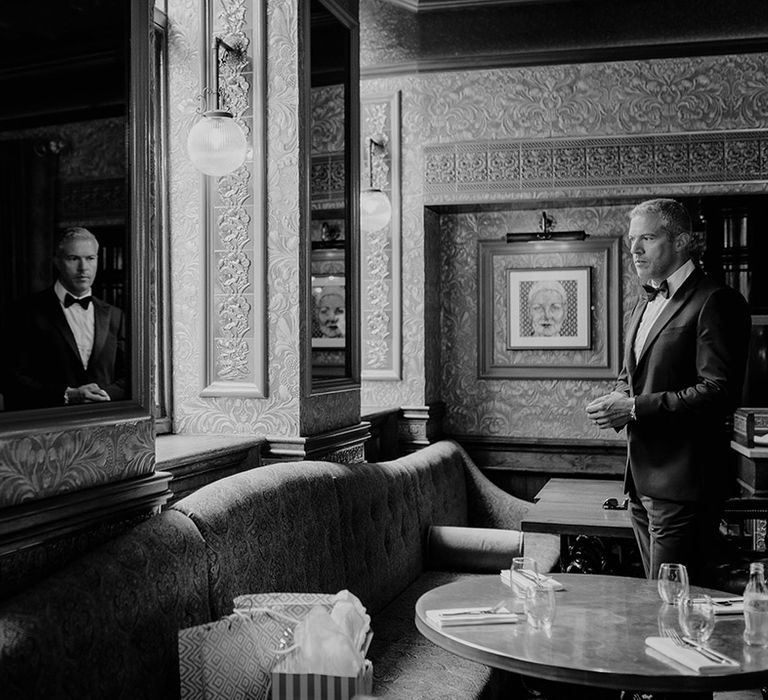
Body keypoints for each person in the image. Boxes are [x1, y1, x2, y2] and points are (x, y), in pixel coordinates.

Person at [586, 198, 750, 585]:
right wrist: (616, 399)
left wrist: (634, 407)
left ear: (682, 241)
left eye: (647, 238)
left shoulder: (715, 301)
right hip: (639, 483)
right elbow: (634, 378)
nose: (634, 250)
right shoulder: (642, 306)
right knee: (656, 602)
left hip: (685, 487)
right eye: (631, 241)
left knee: (672, 607)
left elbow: (718, 392)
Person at [2, 227, 127, 409]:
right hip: (48, 425)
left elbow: (131, 376)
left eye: (90, 258)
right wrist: (68, 395)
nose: (83, 268)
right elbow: (10, 378)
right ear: (57, 262)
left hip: (104, 425)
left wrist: (106, 395)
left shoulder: (116, 315)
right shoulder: (24, 311)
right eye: (73, 258)